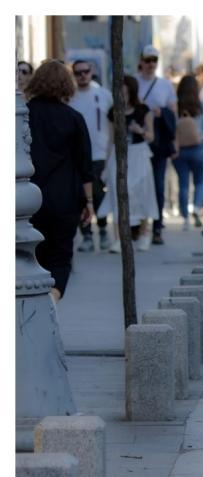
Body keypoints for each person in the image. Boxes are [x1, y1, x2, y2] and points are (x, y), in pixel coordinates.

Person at [25, 59, 93, 302]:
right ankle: (52, 299)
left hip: (28, 201)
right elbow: (85, 166)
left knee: (31, 257)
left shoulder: (23, 115)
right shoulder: (74, 118)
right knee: (61, 257)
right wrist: (89, 203)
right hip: (65, 199)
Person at [98, 75, 158, 252]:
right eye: (120, 92)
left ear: (132, 92)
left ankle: (144, 234)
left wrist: (140, 130)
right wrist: (106, 163)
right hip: (119, 154)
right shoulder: (113, 112)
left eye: (126, 92)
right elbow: (110, 139)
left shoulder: (143, 110)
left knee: (142, 193)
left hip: (139, 153)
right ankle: (117, 238)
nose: (123, 96)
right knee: (118, 194)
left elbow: (151, 136)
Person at [69, 59, 113, 252]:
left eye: (85, 71)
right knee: (80, 195)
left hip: (100, 152)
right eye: (78, 73)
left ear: (91, 71)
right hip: (76, 154)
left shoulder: (103, 95)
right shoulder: (70, 97)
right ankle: (87, 234)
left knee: (98, 193)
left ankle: (102, 228)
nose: (83, 76)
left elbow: (114, 123)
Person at [135, 45, 177, 245]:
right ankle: (136, 226)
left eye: (154, 61)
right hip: (136, 141)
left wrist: (162, 113)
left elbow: (173, 114)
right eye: (148, 60)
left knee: (158, 186)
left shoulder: (165, 85)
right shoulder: (133, 83)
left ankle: (157, 227)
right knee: (136, 185)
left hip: (158, 143)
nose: (151, 64)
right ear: (141, 61)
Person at [172, 74, 203, 230]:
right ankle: (197, 209)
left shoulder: (176, 106)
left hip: (180, 149)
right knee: (200, 181)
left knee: (183, 184)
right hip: (200, 147)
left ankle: (185, 217)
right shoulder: (201, 105)